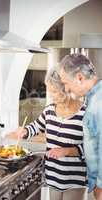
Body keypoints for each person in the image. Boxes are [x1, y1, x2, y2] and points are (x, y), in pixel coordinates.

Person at [7, 69, 87, 200]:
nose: (51, 95)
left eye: (54, 91)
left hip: (74, 179)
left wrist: (67, 151)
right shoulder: (49, 110)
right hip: (52, 176)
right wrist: (25, 131)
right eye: (49, 90)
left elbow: (94, 147)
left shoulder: (85, 113)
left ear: (67, 88)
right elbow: (36, 126)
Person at [59, 53, 102, 200]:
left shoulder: (99, 103)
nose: (65, 89)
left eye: (65, 83)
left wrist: (100, 185)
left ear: (79, 77)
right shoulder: (93, 98)